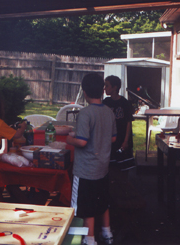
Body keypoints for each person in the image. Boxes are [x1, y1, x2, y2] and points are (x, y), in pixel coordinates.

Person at [66, 73, 117, 245]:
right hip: (102, 168)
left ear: (84, 92)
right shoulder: (109, 112)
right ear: (103, 91)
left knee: (84, 207)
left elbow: (81, 141)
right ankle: (107, 233)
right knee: (102, 202)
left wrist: (69, 139)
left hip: (85, 170)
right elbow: (112, 138)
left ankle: (89, 240)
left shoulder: (85, 113)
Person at [103, 75, 135, 179]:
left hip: (122, 139)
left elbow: (128, 122)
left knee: (124, 167)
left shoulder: (124, 103)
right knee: (112, 168)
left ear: (115, 87)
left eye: (107, 86)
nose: (105, 88)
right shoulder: (106, 102)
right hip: (111, 140)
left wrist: (125, 141)